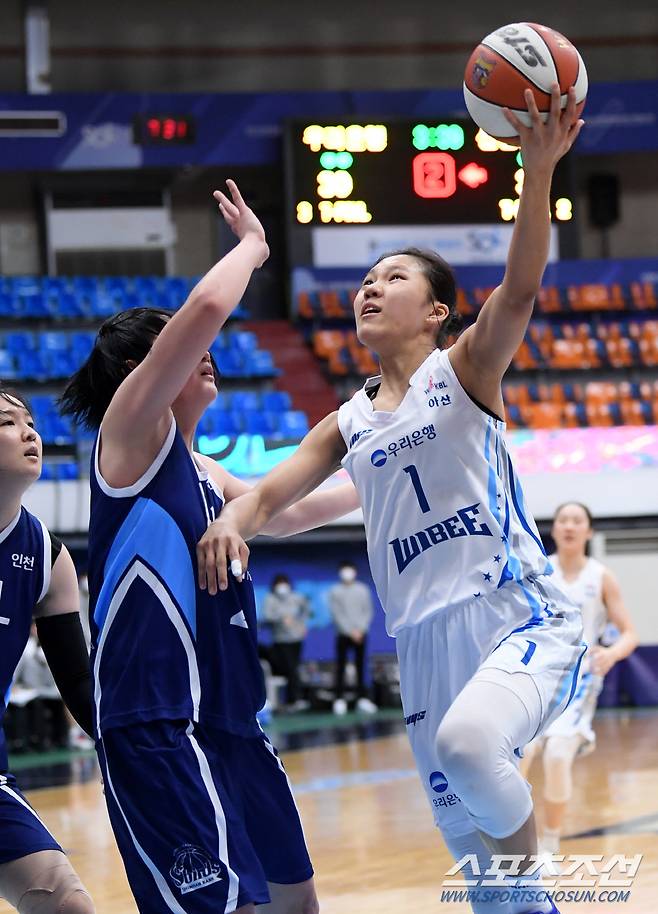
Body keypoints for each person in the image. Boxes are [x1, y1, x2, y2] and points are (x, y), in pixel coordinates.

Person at [196, 88, 585, 914]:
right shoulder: (349, 422)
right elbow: (275, 501)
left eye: (393, 278)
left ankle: (533, 885)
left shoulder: (464, 369)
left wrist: (538, 170)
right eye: (366, 281)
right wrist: (231, 512)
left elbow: (518, 291)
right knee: (484, 884)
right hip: (422, 647)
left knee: (471, 746)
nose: (370, 289)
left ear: (437, 311)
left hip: (513, 615)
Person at [59, 180, 359, 914]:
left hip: (228, 720)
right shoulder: (129, 436)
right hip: (155, 721)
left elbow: (289, 512)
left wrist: (397, 465)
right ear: (142, 371)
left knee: (296, 902)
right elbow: (204, 310)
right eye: (178, 347)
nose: (205, 354)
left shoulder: (204, 471)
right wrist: (253, 246)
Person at [0, 388, 95, 914]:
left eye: (31, 423)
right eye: (7, 422)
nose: (29, 433)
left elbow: (78, 684)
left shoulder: (46, 555)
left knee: (68, 906)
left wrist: (128, 741)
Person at [520, 502, 637, 859]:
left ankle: (550, 845)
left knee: (556, 755)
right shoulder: (539, 569)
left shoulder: (601, 577)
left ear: (589, 531)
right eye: (563, 520)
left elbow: (630, 634)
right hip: (537, 675)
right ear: (554, 529)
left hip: (580, 678)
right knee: (520, 753)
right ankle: (515, 844)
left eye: (577, 521)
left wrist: (611, 654)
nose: (569, 526)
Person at [328, 561, 377, 715]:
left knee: (361, 665)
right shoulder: (335, 591)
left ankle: (362, 699)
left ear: (355, 572)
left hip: (361, 634)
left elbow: (367, 611)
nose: (347, 573)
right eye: (344, 570)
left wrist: (361, 629)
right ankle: (339, 699)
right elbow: (336, 614)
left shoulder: (362, 589)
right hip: (343, 634)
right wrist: (350, 631)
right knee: (341, 666)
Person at [262, 574, 310, 711]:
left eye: (284, 583)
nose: (282, 587)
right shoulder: (270, 599)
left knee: (294, 668)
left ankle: (295, 699)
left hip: (296, 639)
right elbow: (267, 616)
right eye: (279, 583)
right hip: (281, 641)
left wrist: (302, 624)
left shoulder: (296, 597)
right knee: (289, 669)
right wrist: (281, 617)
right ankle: (291, 700)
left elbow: (305, 610)